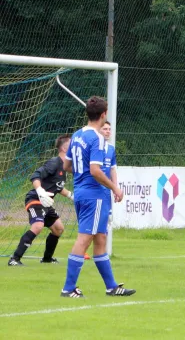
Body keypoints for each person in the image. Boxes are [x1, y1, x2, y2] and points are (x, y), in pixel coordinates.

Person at [60, 96, 135, 298]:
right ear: (103, 114)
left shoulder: (76, 135)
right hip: (95, 195)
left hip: (81, 193)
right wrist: (115, 189)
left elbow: (67, 166)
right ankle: (68, 288)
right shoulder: (98, 139)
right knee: (84, 239)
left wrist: (81, 171)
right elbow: (95, 170)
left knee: (100, 238)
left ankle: (111, 286)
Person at [8, 135, 74, 266]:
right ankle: (14, 259)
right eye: (72, 144)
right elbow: (36, 175)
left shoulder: (65, 166)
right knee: (38, 226)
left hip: (46, 203)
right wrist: (40, 191)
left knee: (58, 229)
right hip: (35, 199)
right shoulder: (54, 162)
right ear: (64, 148)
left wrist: (72, 196)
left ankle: (47, 259)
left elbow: (58, 187)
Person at [84, 121, 117, 261]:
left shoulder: (110, 149)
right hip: (94, 190)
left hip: (106, 192)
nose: (108, 131)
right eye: (105, 129)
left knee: (106, 221)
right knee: (92, 223)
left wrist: (115, 187)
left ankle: (101, 252)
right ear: (99, 130)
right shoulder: (94, 146)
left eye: (109, 129)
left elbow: (112, 169)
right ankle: (83, 251)